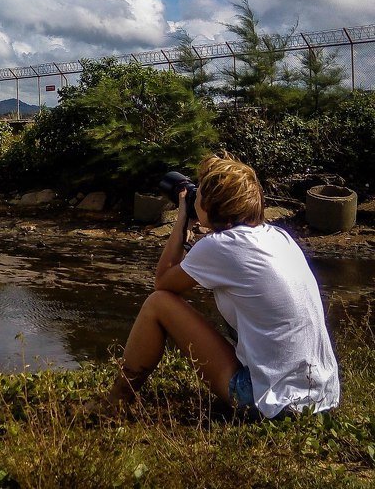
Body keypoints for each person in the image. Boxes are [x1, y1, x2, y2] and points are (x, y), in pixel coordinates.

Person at [105, 152, 340, 419]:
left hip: (272, 405)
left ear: (214, 206)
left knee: (158, 304)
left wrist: (182, 220)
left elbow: (163, 283)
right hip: (322, 399)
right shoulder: (279, 237)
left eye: (200, 194)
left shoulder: (220, 245)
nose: (196, 199)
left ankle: (115, 402)